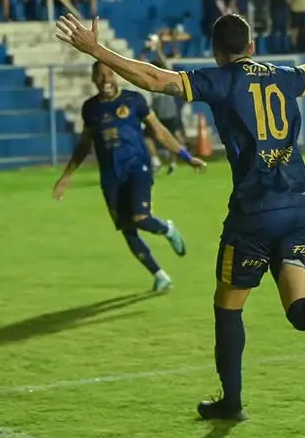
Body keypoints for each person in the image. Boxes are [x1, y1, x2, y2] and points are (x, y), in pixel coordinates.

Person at [53, 10, 305, 421]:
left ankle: (232, 401)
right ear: (252, 47)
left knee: (228, 306)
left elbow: (154, 79)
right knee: (300, 310)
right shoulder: (282, 76)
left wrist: (96, 50)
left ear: (215, 51)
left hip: (254, 215)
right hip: (300, 205)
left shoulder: (220, 80)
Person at [52, 62, 205, 292]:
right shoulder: (90, 109)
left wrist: (185, 155)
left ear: (116, 76)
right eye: (100, 76)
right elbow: (84, 145)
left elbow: (160, 131)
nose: (105, 80)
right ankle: (160, 275)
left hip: (137, 169)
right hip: (110, 177)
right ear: (93, 79)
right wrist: (66, 176)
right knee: (127, 228)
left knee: (140, 217)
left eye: (109, 74)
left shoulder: (134, 101)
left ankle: (167, 229)